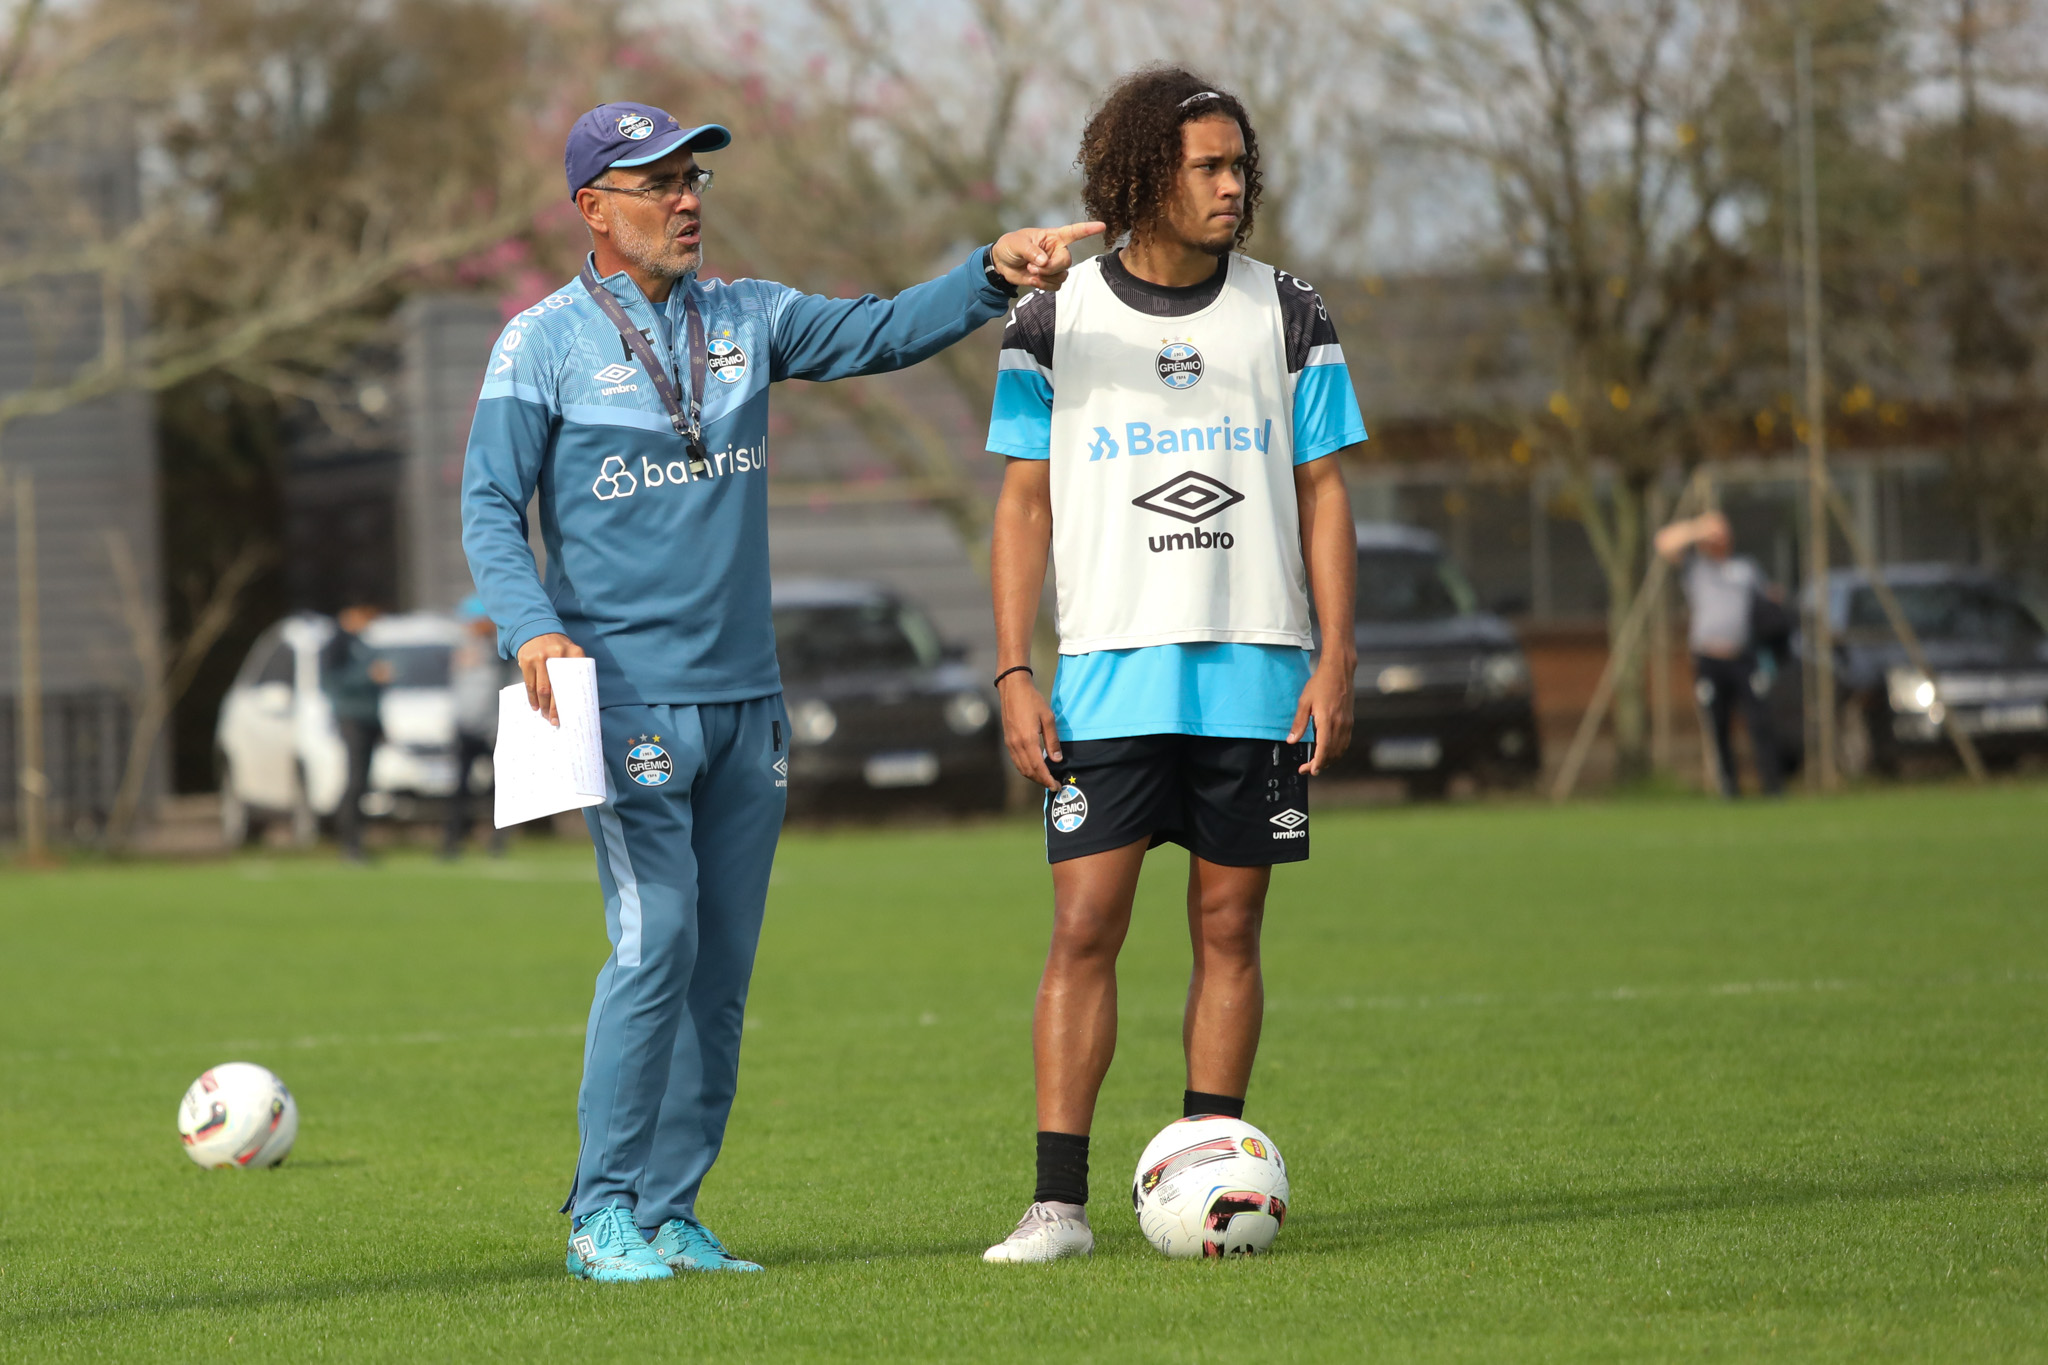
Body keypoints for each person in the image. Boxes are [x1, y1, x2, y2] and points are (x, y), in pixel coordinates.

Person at [461, 100, 1104, 1283]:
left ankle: (668, 1212)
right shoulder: (538, 343)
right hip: (628, 700)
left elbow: (881, 331)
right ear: (594, 210)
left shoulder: (748, 316)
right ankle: (599, 1214)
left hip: (747, 702)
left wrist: (985, 272)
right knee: (654, 944)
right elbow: (491, 508)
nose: (687, 198)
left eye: (694, 178)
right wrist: (532, 632)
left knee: (718, 974)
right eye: (656, 183)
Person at [978, 68, 1367, 1264]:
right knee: (1083, 928)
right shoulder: (1052, 319)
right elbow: (1023, 508)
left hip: (1254, 672)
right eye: (1206, 167)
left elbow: (1324, 493)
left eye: (1237, 165)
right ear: (1143, 175)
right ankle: (1056, 1207)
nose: (1231, 187)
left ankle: (1207, 1179)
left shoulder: (1287, 312)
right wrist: (1012, 672)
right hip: (1103, 673)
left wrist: (1335, 658)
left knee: (1228, 927)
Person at [1654, 509, 1785, 797]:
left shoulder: (1745, 568)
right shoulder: (1696, 567)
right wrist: (1699, 528)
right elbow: (1663, 542)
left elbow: (1766, 601)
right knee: (1718, 726)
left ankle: (1772, 786)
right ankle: (1729, 787)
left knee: (1759, 721)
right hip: (1709, 660)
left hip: (1743, 657)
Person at [320, 604, 390, 862]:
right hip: (352, 720)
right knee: (355, 780)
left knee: (363, 782)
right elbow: (334, 682)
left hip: (368, 719)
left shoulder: (363, 645)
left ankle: (354, 841)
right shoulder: (336, 645)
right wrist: (368, 677)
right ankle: (348, 842)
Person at [442, 597, 509, 859]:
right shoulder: (460, 647)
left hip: (493, 727)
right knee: (460, 788)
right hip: (466, 725)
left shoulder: (499, 648)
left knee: (498, 789)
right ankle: (451, 841)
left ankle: (495, 841)